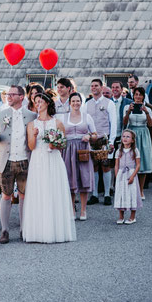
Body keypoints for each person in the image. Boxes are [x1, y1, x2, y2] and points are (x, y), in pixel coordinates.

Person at [22, 92, 76, 243]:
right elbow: (31, 147)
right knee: (39, 192)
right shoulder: (32, 125)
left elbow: (63, 144)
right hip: (38, 160)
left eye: (40, 101)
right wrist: (34, 135)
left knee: (53, 191)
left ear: (47, 103)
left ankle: (56, 231)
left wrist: (55, 144)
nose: (38, 104)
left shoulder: (57, 122)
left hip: (53, 159)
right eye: (36, 102)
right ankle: (38, 232)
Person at [0, 85, 36, 244]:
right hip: (7, 161)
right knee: (6, 195)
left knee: (24, 196)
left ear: (21, 97)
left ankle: (24, 229)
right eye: (7, 94)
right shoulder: (0, 115)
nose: (8, 96)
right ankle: (5, 231)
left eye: (12, 94)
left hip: (25, 160)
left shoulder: (32, 116)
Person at [62, 92, 97, 220]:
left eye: (78, 101)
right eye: (73, 101)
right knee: (70, 178)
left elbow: (95, 134)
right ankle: (71, 209)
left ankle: (83, 210)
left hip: (83, 150)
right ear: (70, 103)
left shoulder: (87, 117)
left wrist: (89, 136)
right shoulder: (63, 118)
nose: (76, 103)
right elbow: (59, 134)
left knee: (84, 178)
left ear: (81, 103)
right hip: (68, 150)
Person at [85, 79, 117, 206]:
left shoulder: (109, 103)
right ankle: (94, 194)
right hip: (92, 139)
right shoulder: (86, 104)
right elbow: (85, 122)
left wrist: (112, 140)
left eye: (96, 86)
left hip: (105, 138)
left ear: (101, 87)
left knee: (106, 166)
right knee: (94, 166)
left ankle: (107, 194)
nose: (94, 88)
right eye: (92, 86)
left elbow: (113, 123)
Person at [123, 87, 152, 195]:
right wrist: (128, 112)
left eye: (140, 95)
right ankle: (131, 189)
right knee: (130, 161)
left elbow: (150, 124)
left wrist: (146, 113)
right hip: (131, 132)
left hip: (143, 133)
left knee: (143, 161)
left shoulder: (148, 109)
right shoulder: (128, 107)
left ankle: (141, 191)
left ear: (143, 96)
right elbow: (124, 122)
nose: (138, 97)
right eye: (136, 94)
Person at [113, 130, 141, 224]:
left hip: (131, 174)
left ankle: (132, 217)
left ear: (132, 140)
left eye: (128, 137)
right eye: (123, 136)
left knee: (132, 193)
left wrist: (133, 176)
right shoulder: (118, 151)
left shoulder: (135, 151)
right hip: (121, 174)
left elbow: (137, 165)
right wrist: (117, 176)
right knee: (121, 194)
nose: (125, 138)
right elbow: (116, 165)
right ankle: (121, 216)